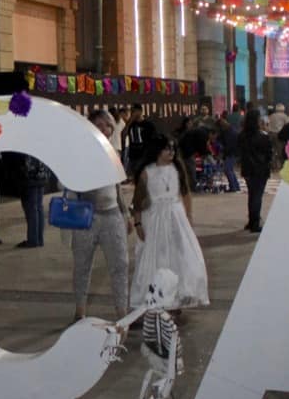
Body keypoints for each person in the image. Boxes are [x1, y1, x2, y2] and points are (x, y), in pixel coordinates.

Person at [130, 134, 208, 308]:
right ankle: (155, 296)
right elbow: (138, 201)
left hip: (176, 216)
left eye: (173, 148)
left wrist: (188, 215)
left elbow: (186, 193)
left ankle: (178, 296)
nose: (171, 152)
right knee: (156, 257)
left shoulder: (177, 169)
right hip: (154, 217)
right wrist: (138, 223)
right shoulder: (147, 172)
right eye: (167, 148)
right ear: (157, 150)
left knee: (182, 255)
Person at [68, 111, 133, 318]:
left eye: (106, 125)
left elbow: (117, 188)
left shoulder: (114, 152)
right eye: (98, 125)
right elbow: (70, 182)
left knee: (120, 265)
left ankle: (122, 312)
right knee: (82, 266)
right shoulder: (80, 153)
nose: (103, 129)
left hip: (112, 215)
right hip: (86, 216)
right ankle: (80, 311)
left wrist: (126, 214)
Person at [237, 108, 273, 232]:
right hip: (260, 170)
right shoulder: (263, 136)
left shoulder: (242, 136)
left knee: (252, 195)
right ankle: (255, 223)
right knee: (257, 196)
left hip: (247, 169)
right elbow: (269, 154)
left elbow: (239, 152)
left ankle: (252, 220)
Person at [4, 151, 50, 248]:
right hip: (41, 176)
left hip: (29, 178)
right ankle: (39, 239)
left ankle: (33, 241)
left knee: (32, 209)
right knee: (38, 208)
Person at [124, 104, 157, 178]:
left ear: (140, 111)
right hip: (132, 155)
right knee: (134, 177)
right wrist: (130, 121)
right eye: (131, 111)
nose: (132, 113)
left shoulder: (148, 125)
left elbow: (154, 140)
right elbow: (123, 135)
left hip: (143, 154)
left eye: (134, 111)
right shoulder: (131, 124)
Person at [216, 116, 241, 193]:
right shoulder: (230, 130)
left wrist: (222, 154)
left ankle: (233, 187)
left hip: (231, 153)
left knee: (228, 169)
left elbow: (228, 146)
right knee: (230, 170)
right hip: (234, 152)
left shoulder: (229, 133)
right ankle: (236, 186)